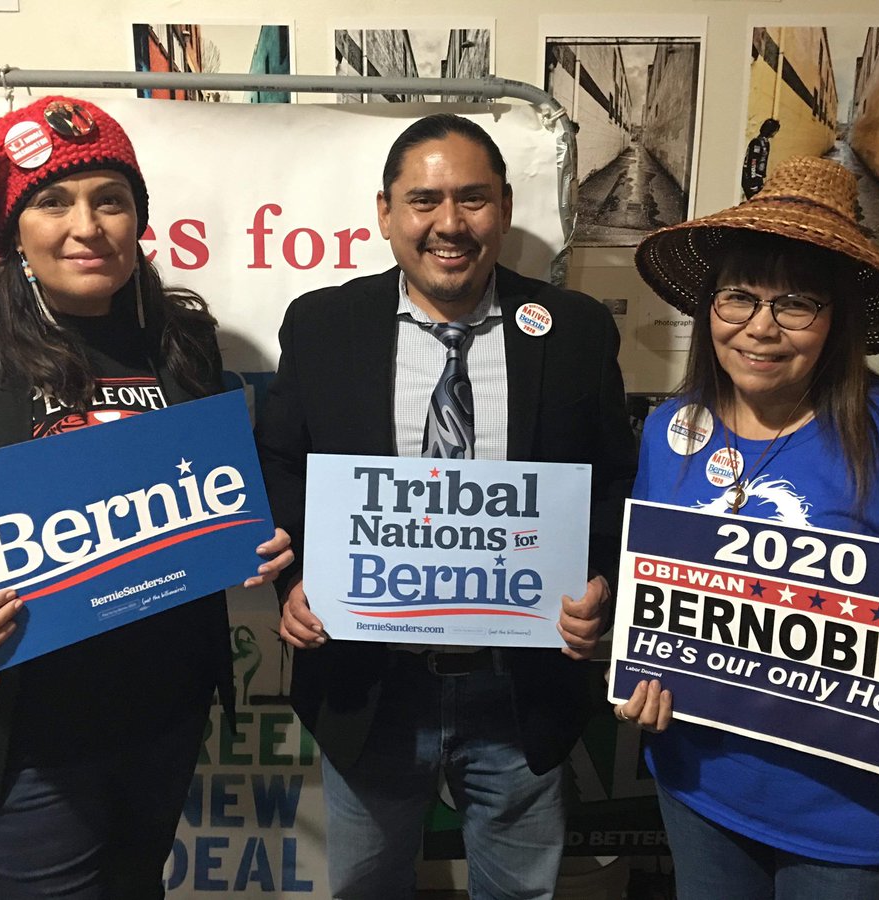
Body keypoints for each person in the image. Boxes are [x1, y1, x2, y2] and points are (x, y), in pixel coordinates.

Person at [0, 96, 294, 899]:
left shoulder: (179, 338)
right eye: (53, 201)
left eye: (111, 199)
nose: (88, 226)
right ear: (13, 228)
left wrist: (249, 534)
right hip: (13, 727)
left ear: (138, 216)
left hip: (160, 710)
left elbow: (207, 491)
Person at [255, 113, 637, 899]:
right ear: (386, 212)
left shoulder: (575, 331)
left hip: (518, 688)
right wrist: (291, 583)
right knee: (366, 889)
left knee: (520, 892)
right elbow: (280, 465)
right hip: (370, 682)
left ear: (504, 206)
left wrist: (599, 584)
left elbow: (611, 484)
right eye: (424, 200)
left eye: (473, 198)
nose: (449, 223)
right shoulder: (323, 325)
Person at [622, 155, 879, 899]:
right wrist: (634, 668)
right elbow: (653, 595)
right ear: (710, 305)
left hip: (858, 822)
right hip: (700, 788)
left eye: (796, 304)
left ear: (839, 320)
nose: (760, 328)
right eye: (739, 297)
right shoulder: (669, 431)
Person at [742, 117, 780, 200]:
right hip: (751, 178)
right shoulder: (757, 142)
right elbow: (753, 162)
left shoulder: (765, 142)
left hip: (758, 178)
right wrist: (753, 182)